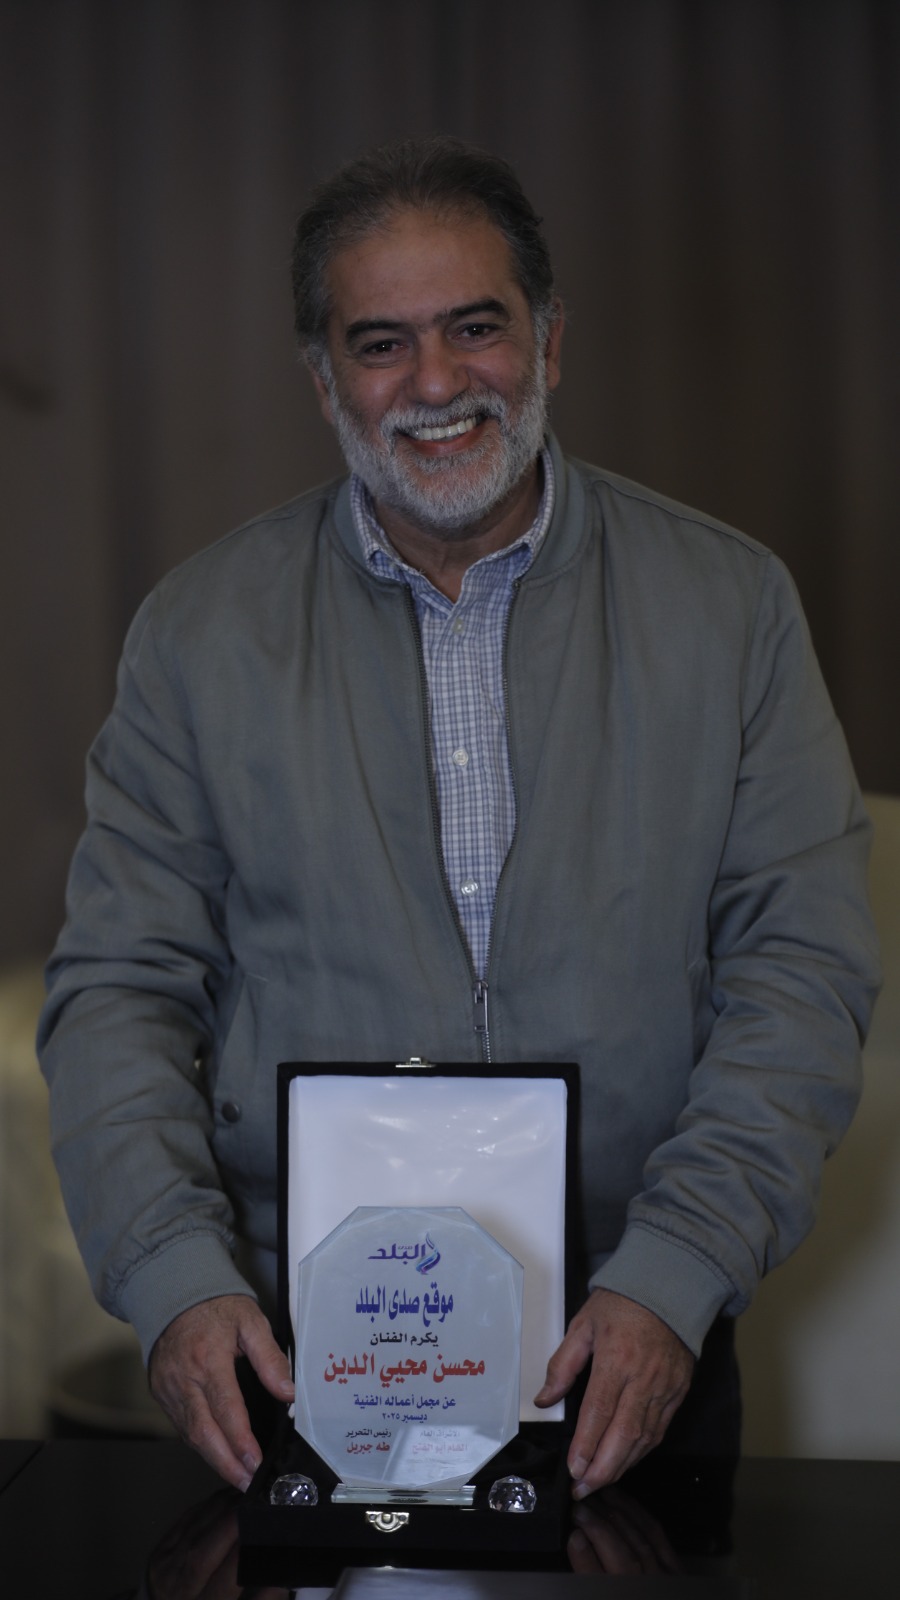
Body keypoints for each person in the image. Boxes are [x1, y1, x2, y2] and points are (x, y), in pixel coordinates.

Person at [39, 136, 879, 1501]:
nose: (434, 384)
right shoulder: (198, 634)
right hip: (288, 1353)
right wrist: (175, 1278)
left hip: (631, 1340)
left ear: (549, 341)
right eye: (381, 345)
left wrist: (677, 1273)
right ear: (325, 382)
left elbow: (802, 971)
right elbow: (118, 993)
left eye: (474, 327)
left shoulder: (734, 609)